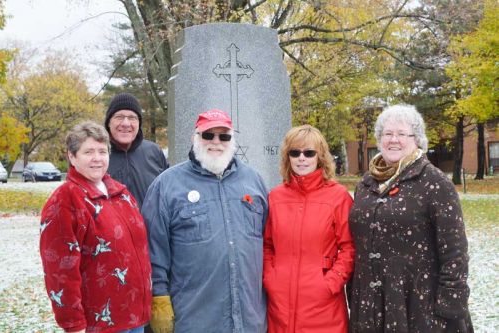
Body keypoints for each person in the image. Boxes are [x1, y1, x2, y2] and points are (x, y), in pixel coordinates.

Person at [348, 104, 473, 333]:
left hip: (420, 305)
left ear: (417, 140)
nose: (393, 140)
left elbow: (455, 252)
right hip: (369, 304)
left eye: (402, 134)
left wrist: (449, 306)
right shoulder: (365, 184)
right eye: (387, 134)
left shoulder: (434, 183)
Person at [142, 109, 269, 333]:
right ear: (195, 138)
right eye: (208, 135)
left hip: (249, 321)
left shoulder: (254, 181)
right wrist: (159, 298)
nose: (216, 142)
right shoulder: (167, 185)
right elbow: (152, 249)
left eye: (224, 136)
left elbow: (268, 244)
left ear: (232, 140)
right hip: (194, 320)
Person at [39, 121, 152, 333]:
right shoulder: (65, 200)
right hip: (99, 323)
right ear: (72, 157)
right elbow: (60, 270)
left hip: (134, 316)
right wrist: (73, 324)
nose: (97, 158)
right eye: (88, 151)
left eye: (102, 151)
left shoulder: (121, 194)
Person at [263, 125, 355, 333]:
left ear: (319, 156)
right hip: (280, 307)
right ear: (288, 157)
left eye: (309, 153)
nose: (301, 158)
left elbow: (349, 247)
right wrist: (271, 278)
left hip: (323, 307)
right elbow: (267, 245)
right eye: (295, 153)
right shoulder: (275, 197)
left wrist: (330, 283)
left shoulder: (338, 197)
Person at [105, 92, 168, 208]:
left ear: (139, 123)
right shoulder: (98, 155)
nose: (125, 123)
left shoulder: (153, 152)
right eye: (119, 117)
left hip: (150, 226)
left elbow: (169, 193)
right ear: (109, 122)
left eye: (132, 118)